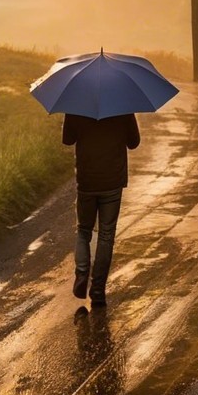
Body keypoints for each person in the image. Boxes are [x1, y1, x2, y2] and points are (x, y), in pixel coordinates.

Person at [62, 112, 141, 306]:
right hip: (113, 181)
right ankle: (98, 289)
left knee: (83, 230)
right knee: (106, 235)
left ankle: (82, 272)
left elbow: (67, 140)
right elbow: (134, 142)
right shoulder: (122, 108)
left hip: (87, 180)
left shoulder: (76, 106)